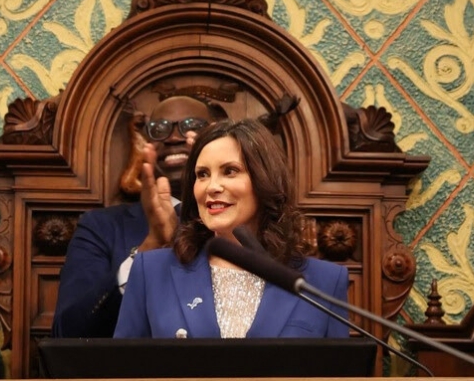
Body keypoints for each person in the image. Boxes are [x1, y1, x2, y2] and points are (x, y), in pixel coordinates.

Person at [114, 119, 351, 339]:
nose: (212, 186)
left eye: (230, 171)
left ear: (264, 180)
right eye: (202, 175)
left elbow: (341, 380)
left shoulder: (323, 282)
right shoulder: (152, 271)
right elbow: (121, 377)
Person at [52, 95, 216, 337]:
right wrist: (148, 249)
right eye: (159, 129)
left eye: (190, 126)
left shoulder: (242, 223)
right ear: (147, 143)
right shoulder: (101, 227)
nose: (172, 138)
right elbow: (67, 331)